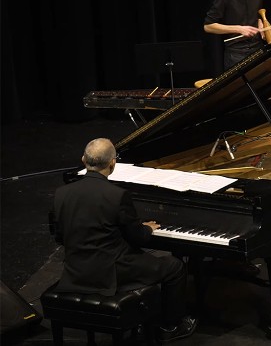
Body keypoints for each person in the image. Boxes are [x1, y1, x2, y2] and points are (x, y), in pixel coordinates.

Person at [50, 139, 199, 342]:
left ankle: (148, 315)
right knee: (174, 267)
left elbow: (60, 236)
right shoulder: (117, 195)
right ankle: (172, 326)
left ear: (83, 159)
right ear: (113, 164)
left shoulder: (61, 193)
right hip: (111, 274)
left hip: (76, 271)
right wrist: (147, 228)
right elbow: (137, 237)